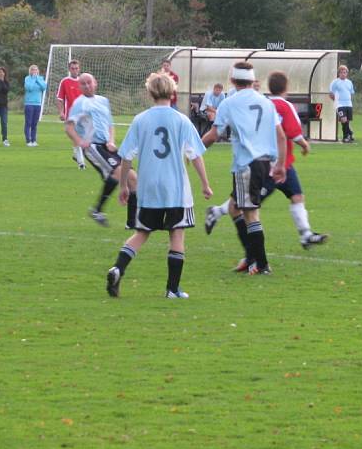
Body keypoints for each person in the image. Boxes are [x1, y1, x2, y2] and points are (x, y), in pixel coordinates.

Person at [106, 72, 213, 299]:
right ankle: (172, 289)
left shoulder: (140, 119)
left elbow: (126, 156)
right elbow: (195, 155)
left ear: (150, 93)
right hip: (175, 188)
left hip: (148, 188)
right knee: (177, 233)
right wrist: (205, 183)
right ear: (173, 92)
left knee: (142, 232)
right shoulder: (182, 120)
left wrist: (124, 185)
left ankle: (118, 268)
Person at [205, 70, 327, 253]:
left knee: (295, 196)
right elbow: (293, 133)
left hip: (277, 163)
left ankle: (305, 234)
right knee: (246, 205)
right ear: (287, 87)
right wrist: (305, 145)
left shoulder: (264, 102)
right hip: (271, 164)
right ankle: (223, 218)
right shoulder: (283, 106)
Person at [201, 61, 287, 275]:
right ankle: (250, 257)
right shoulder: (266, 102)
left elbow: (213, 135)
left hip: (246, 163)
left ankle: (262, 264)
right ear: (252, 80)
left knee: (251, 215)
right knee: (234, 208)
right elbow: (282, 137)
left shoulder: (229, 103)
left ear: (232, 80)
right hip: (264, 162)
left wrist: (192, 149)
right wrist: (281, 165)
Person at [64, 73, 137, 229]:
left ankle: (132, 223)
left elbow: (110, 124)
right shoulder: (79, 103)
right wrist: (80, 142)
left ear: (95, 82)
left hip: (106, 145)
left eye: (89, 82)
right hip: (93, 146)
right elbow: (69, 127)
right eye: (83, 84)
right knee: (118, 174)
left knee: (132, 178)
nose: (87, 86)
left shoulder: (104, 101)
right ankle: (97, 210)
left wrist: (111, 140)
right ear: (79, 86)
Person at [56, 59, 85, 168]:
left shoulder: (83, 81)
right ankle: (81, 163)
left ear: (79, 69)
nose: (74, 70)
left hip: (83, 115)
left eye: (76, 68)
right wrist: (61, 112)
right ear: (69, 69)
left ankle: (76, 155)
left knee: (83, 138)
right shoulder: (65, 81)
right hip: (70, 115)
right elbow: (59, 99)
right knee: (76, 137)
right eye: (72, 68)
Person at [329, 65, 355, 142]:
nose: (343, 74)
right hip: (340, 104)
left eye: (345, 72)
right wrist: (336, 102)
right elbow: (331, 93)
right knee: (343, 119)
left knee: (347, 121)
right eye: (341, 72)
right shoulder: (335, 82)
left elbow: (351, 93)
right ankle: (346, 136)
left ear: (347, 73)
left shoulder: (349, 82)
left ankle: (349, 134)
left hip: (348, 104)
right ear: (339, 73)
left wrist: (350, 101)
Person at [23, 64, 47, 147]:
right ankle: (28, 140)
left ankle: (34, 140)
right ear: (30, 71)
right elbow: (29, 88)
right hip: (29, 104)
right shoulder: (27, 78)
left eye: (36, 70)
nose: (34, 71)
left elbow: (44, 87)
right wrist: (33, 79)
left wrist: (37, 79)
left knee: (34, 123)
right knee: (28, 122)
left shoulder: (40, 78)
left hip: (38, 104)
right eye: (33, 70)